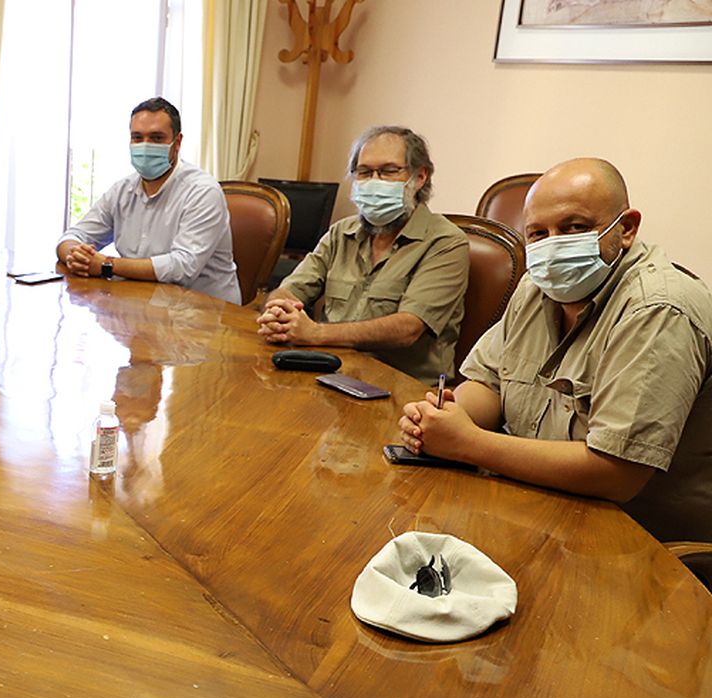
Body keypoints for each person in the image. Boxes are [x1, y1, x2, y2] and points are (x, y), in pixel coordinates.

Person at [398, 158, 712, 546]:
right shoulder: (536, 287)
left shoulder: (660, 309)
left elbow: (615, 474)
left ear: (626, 228)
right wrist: (445, 418)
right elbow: (489, 382)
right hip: (534, 507)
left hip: (635, 543)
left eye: (574, 228)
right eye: (537, 234)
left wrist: (467, 443)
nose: (553, 246)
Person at [258, 126, 470, 382]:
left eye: (389, 171)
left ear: (420, 176)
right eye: (365, 172)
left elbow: (407, 328)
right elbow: (291, 289)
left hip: (401, 389)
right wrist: (278, 312)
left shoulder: (446, 242)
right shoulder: (341, 232)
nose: (374, 181)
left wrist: (316, 333)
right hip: (329, 371)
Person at [55, 97, 240, 304]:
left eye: (156, 138)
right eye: (137, 138)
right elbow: (73, 235)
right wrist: (76, 255)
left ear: (176, 143)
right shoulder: (122, 189)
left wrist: (107, 265)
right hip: (141, 305)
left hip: (205, 314)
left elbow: (182, 267)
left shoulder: (203, 192)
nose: (145, 146)